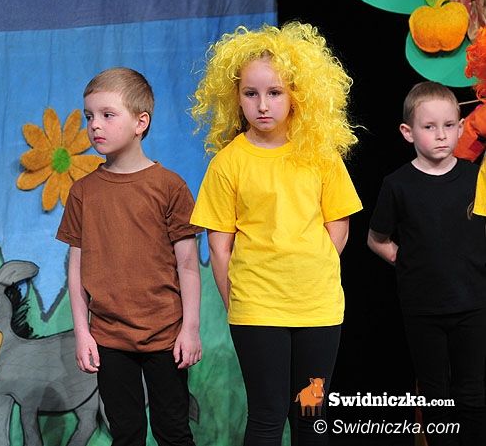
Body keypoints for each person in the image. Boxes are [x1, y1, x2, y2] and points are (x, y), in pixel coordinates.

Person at [189, 22, 362, 446]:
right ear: (235, 97)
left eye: (275, 92)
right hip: (257, 310)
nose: (263, 105)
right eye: (251, 93)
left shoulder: (320, 155)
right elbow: (219, 244)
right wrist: (238, 301)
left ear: (296, 95)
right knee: (267, 415)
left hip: (318, 309)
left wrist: (310, 269)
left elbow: (338, 225)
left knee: (311, 412)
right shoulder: (228, 163)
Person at [56, 67, 202, 446]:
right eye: (89, 116)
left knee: (173, 430)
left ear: (141, 122)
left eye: (107, 114)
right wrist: (82, 332)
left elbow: (188, 264)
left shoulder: (169, 186)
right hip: (109, 337)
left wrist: (190, 328)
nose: (94, 125)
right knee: (125, 432)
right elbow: (76, 267)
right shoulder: (83, 192)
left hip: (165, 334)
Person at [367, 81, 486, 446]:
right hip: (423, 309)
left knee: (472, 393)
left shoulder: (475, 178)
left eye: (449, 125)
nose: (441, 135)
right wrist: (409, 262)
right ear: (408, 132)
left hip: (473, 304)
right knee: (435, 394)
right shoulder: (398, 184)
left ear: (461, 127)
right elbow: (376, 239)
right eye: (429, 126)